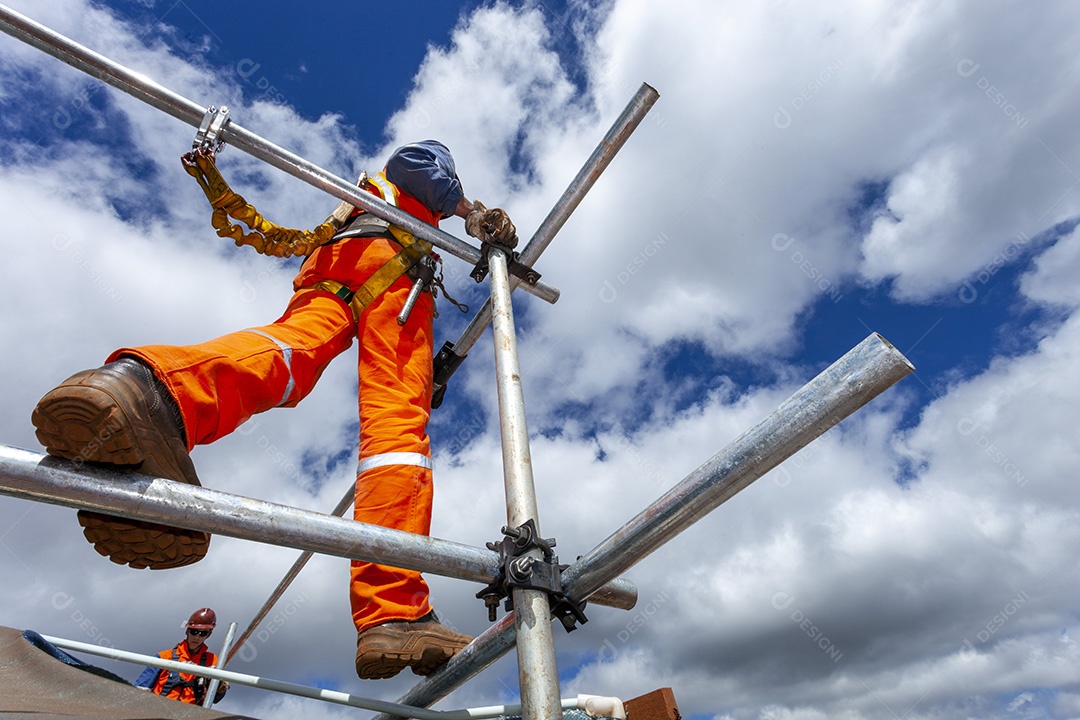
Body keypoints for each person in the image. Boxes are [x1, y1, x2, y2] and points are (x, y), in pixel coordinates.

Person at [31, 140, 516, 680]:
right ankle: (394, 608)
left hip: (342, 267)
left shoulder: (365, 200)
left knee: (292, 357)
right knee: (397, 431)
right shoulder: (417, 171)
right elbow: (416, 165)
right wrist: (474, 213)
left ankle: (155, 393)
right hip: (392, 273)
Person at [134, 607, 228, 704]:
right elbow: (140, 690)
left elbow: (216, 699)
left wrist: (219, 687)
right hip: (158, 711)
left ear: (208, 635)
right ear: (187, 631)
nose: (197, 637)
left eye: (203, 633)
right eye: (194, 631)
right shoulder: (163, 657)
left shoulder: (213, 661)